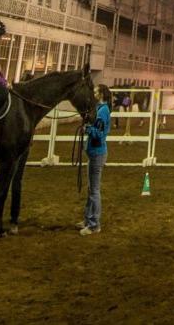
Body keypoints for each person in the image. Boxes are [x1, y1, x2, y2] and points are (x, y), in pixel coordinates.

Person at [80, 85, 112, 235]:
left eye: (95, 92)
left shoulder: (102, 112)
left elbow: (98, 133)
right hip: (94, 152)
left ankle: (94, 224)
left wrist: (87, 128)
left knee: (94, 190)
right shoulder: (100, 109)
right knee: (91, 189)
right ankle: (88, 219)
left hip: (97, 153)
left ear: (101, 94)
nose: (93, 94)